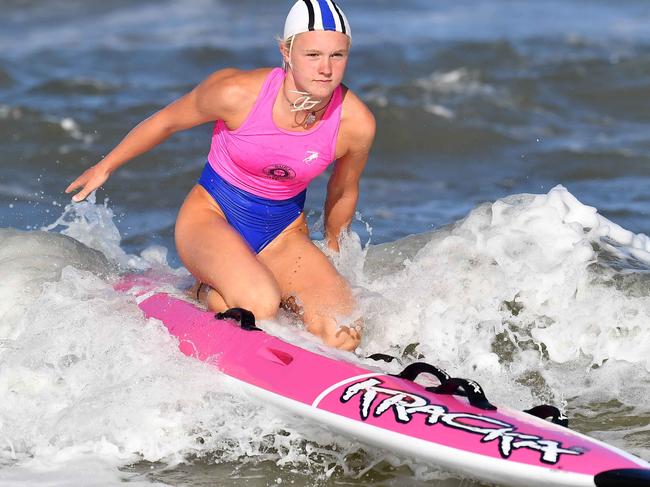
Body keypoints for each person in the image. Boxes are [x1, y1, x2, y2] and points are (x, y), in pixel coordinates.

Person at [65, 0, 375, 352]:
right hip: (211, 218)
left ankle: (261, 287)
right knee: (258, 307)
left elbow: (344, 190)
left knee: (343, 333)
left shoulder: (355, 122)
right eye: (313, 55)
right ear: (286, 52)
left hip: (283, 234)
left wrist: (335, 254)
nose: (326, 69)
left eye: (338, 55)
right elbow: (167, 121)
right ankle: (201, 289)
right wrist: (105, 165)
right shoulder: (236, 93)